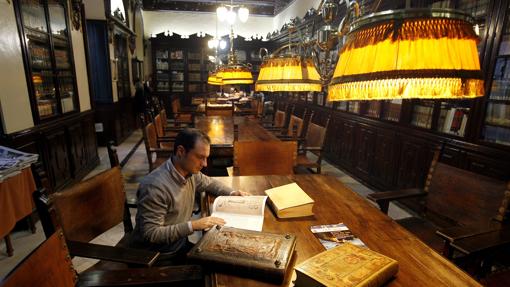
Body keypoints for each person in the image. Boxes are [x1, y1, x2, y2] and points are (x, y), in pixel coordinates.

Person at [131, 128, 249, 261]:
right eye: (200, 157)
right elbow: (151, 233)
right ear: (181, 151)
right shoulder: (155, 186)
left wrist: (232, 193)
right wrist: (193, 225)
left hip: (178, 244)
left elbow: (210, 183)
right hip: (157, 256)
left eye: (206, 158)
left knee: (228, 254)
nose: (204, 164)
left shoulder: (190, 173)